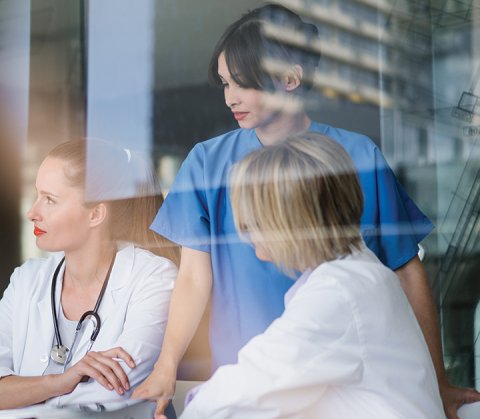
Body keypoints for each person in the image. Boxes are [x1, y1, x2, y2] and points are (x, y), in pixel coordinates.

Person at [132, 4, 480, 418]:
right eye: (225, 84)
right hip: (251, 381)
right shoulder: (207, 164)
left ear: (290, 78)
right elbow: (192, 277)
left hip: (339, 383)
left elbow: (406, 269)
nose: (230, 98)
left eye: (243, 83)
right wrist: (167, 365)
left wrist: (436, 380)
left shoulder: (355, 158)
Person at [180, 134, 444, 418]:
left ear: (292, 222)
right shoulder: (357, 271)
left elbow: (249, 385)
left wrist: (192, 404)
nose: (246, 235)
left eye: (254, 221)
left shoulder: (338, 292)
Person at [0, 139, 178, 412]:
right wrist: (59, 382)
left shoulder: (153, 278)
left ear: (95, 214)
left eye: (50, 200)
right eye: (37, 195)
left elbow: (116, 388)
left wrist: (16, 392)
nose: (32, 213)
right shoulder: (27, 280)